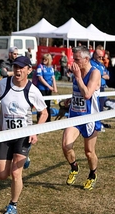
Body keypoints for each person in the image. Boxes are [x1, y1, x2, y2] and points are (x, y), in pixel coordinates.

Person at [0, 56, 48, 214]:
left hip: (23, 136)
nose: (18, 70)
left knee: (16, 173)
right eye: (16, 67)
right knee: (2, 175)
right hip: (5, 134)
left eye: (22, 67)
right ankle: (25, 160)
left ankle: (13, 205)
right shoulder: (3, 85)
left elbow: (44, 113)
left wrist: (35, 131)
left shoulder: (33, 91)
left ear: (29, 70)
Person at [62, 46, 101, 190]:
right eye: (74, 58)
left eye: (77, 59)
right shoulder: (76, 72)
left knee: (89, 152)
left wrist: (78, 77)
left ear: (86, 59)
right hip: (74, 116)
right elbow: (78, 93)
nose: (74, 62)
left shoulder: (94, 73)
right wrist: (70, 99)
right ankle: (74, 167)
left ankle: (92, 174)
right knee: (66, 145)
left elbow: (87, 94)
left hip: (90, 117)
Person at [90, 45, 110, 130]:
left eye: (102, 56)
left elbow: (108, 75)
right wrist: (101, 75)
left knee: (101, 106)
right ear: (94, 55)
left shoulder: (101, 64)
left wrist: (102, 75)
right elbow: (95, 74)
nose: (100, 58)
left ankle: (99, 122)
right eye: (99, 56)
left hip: (102, 87)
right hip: (94, 88)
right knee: (94, 106)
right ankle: (93, 123)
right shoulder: (91, 63)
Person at [36, 53, 57, 122]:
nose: (44, 60)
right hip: (41, 88)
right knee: (41, 105)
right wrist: (49, 86)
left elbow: (53, 78)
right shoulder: (40, 66)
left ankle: (48, 120)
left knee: (48, 104)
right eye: (43, 59)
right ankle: (40, 119)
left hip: (49, 89)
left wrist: (54, 87)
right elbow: (40, 78)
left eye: (46, 59)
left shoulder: (51, 68)